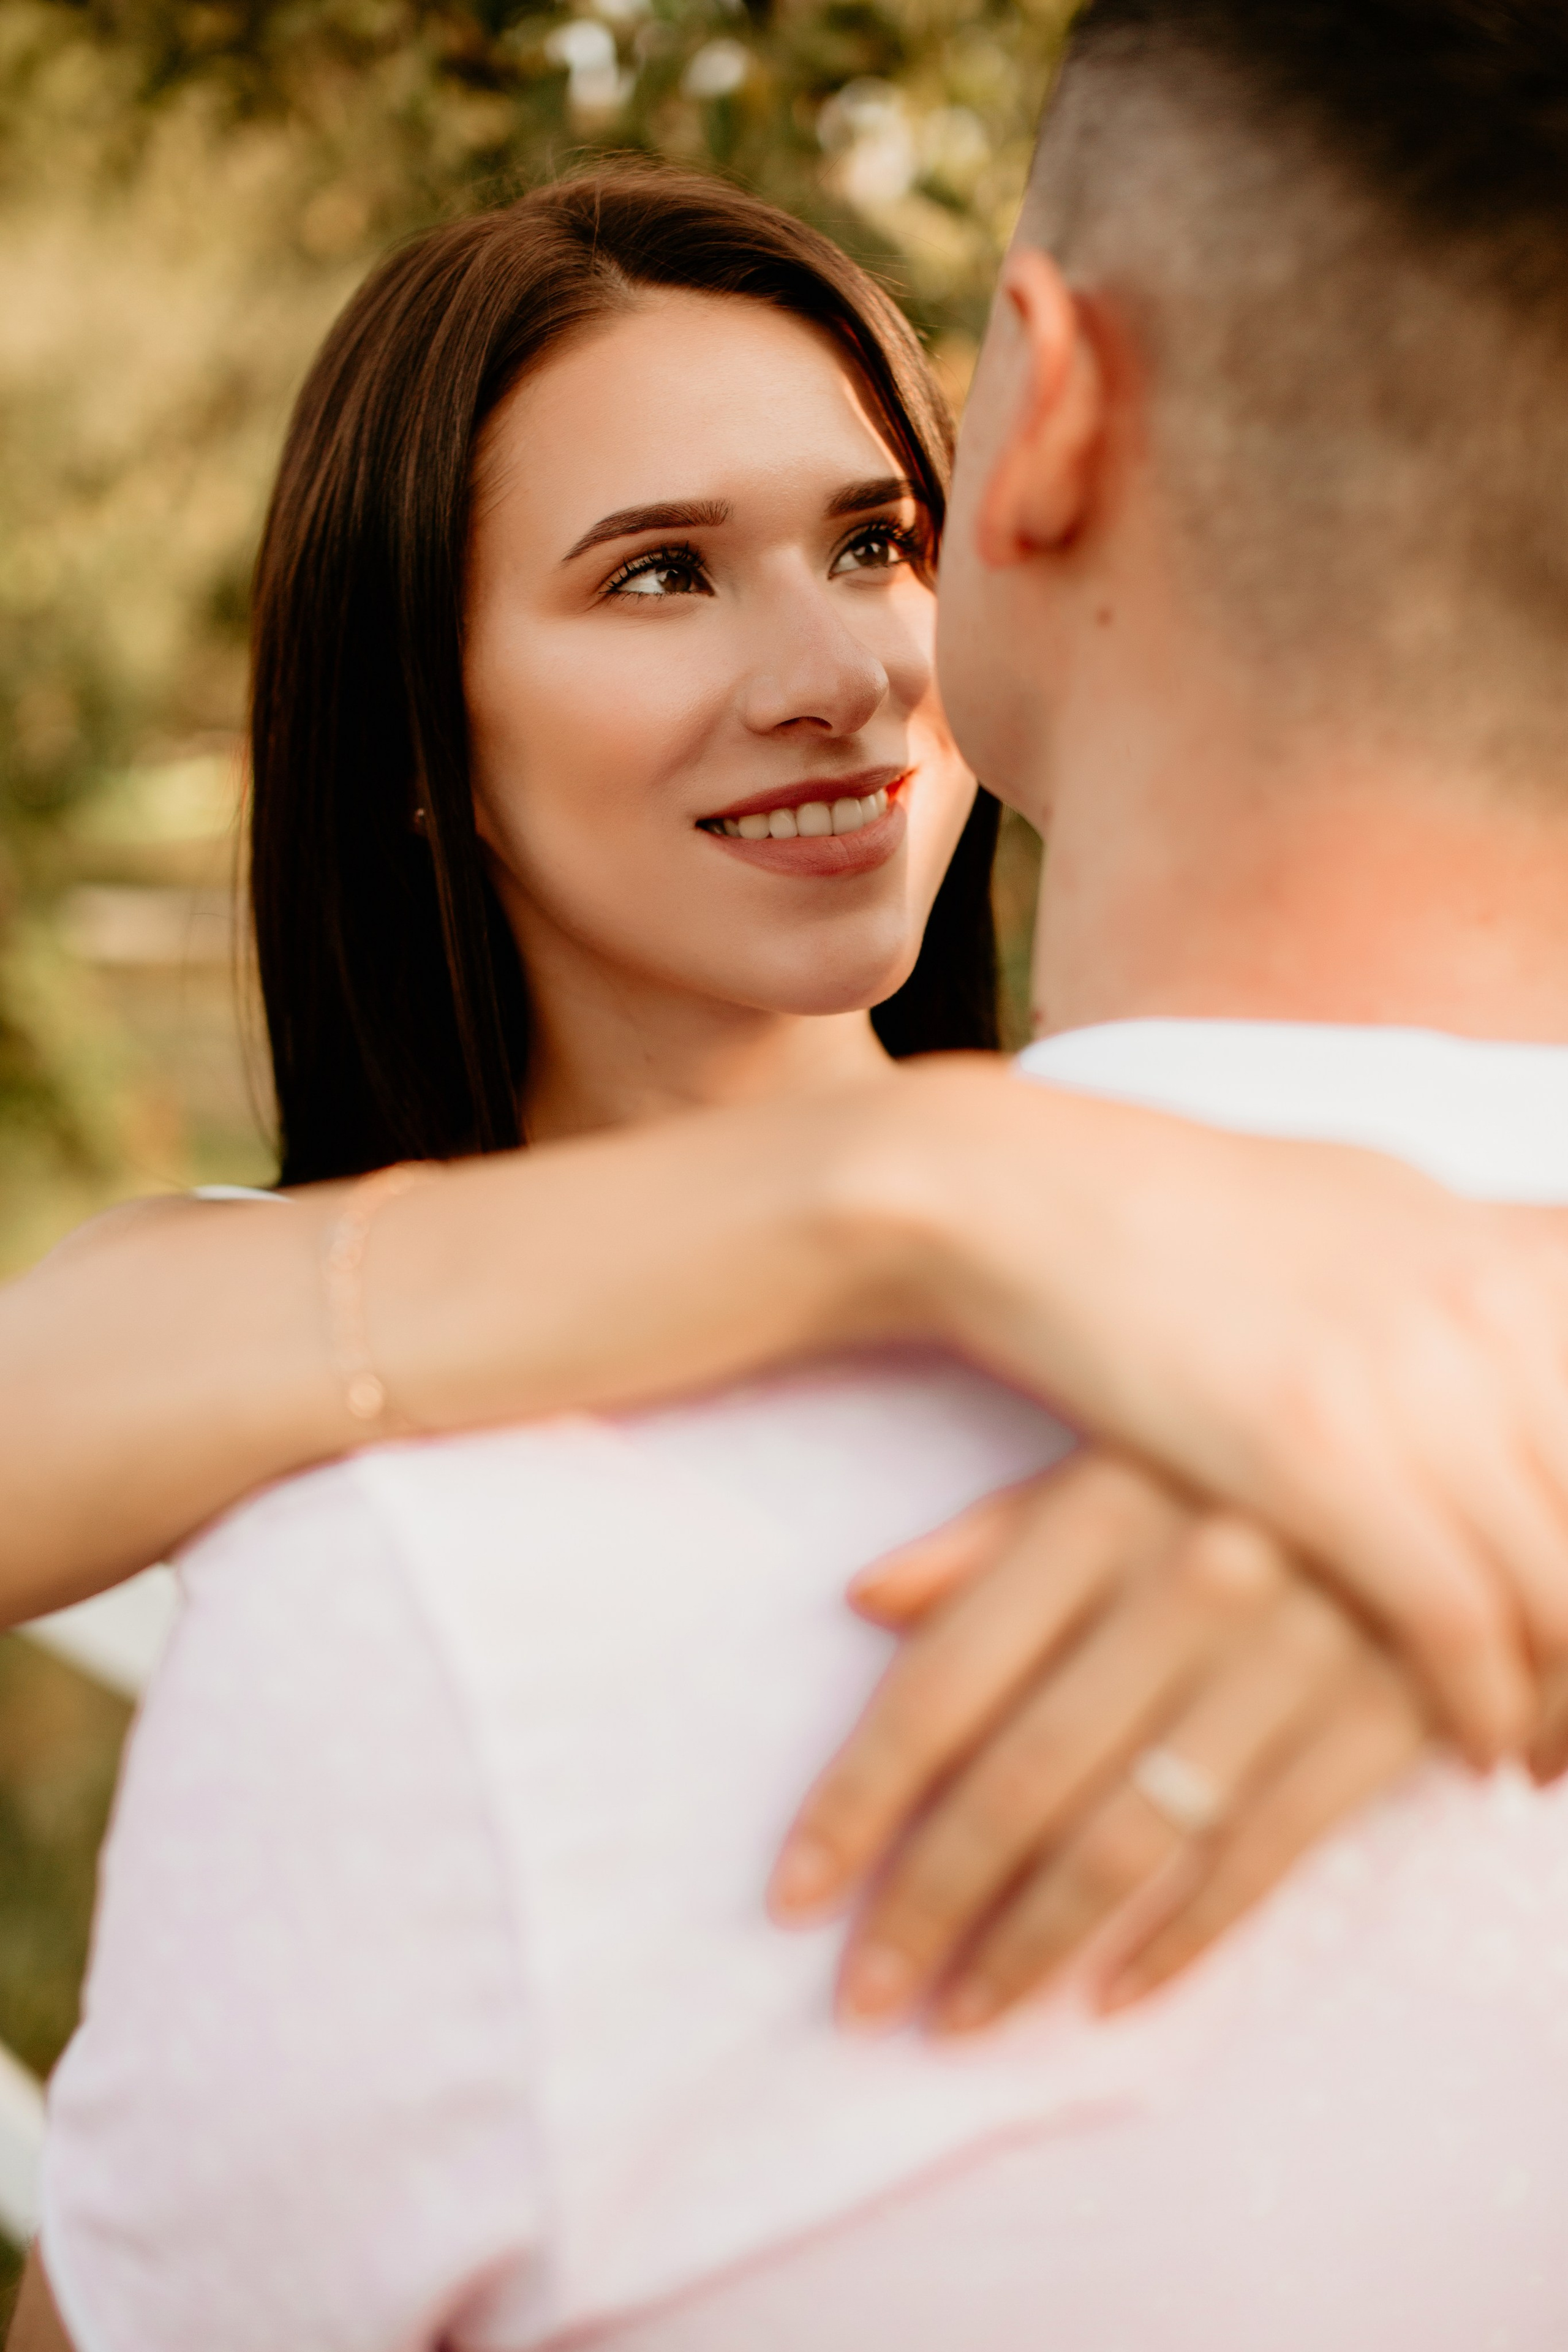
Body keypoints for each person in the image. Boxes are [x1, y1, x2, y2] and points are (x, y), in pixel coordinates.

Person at [20, 3, 1568, 2345]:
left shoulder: (1319, 1219)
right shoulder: (312, 1406)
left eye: (878, 538)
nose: (841, 669)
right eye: (661, 574)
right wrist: (903, 1195)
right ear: (421, 733)